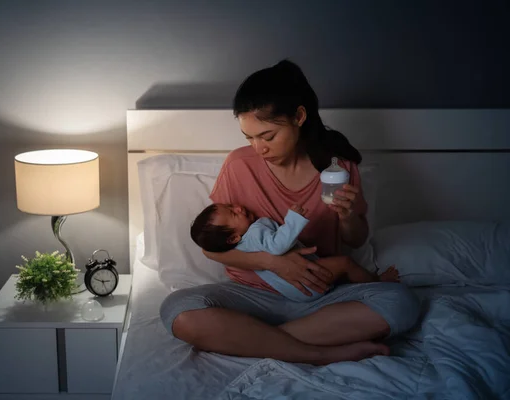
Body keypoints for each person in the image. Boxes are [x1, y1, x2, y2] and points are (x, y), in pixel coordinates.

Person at [160, 59, 420, 365]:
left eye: (267, 136)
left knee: (401, 303)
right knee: (177, 310)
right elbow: (214, 251)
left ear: (298, 116)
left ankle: (248, 339)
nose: (259, 148)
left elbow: (355, 239)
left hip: (321, 293)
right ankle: (317, 352)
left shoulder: (337, 168)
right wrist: (273, 262)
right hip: (252, 296)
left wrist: (348, 216)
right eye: (250, 138)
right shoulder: (238, 165)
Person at [190, 203, 400, 302]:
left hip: (297, 290)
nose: (238, 208)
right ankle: (378, 282)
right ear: (233, 238)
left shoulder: (240, 247)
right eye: (232, 214)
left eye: (231, 206)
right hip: (306, 281)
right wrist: (294, 219)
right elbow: (277, 246)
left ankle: (350, 290)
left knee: (339, 270)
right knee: (345, 263)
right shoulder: (253, 234)